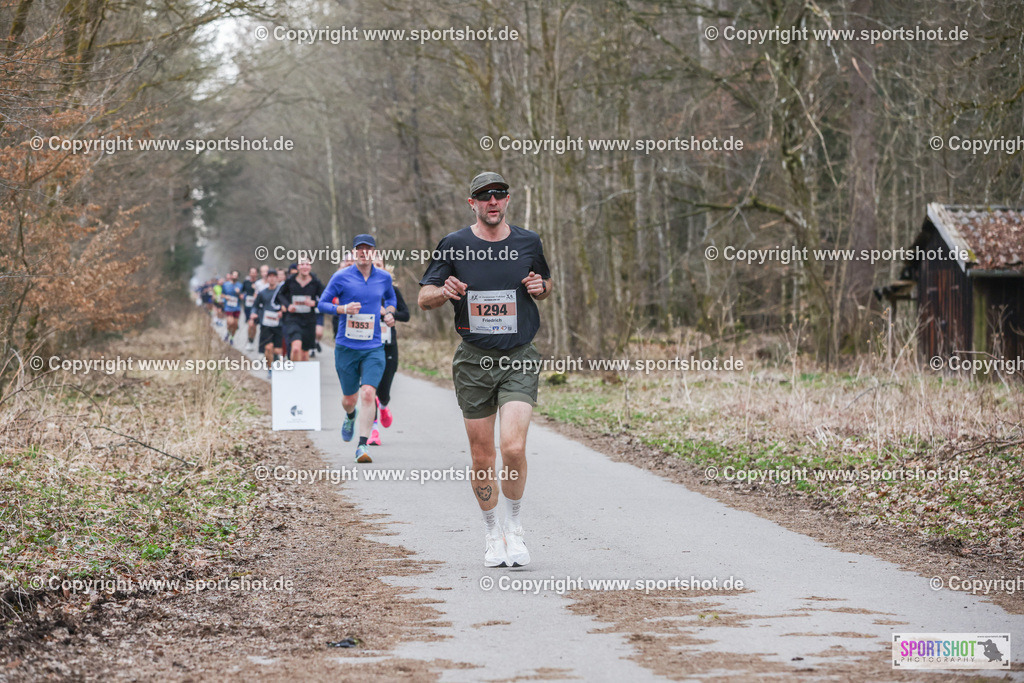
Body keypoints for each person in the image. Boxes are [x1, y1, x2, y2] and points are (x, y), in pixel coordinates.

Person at [418, 172, 552, 568]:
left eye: (498, 195)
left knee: (512, 447)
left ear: (507, 200)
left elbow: (544, 282)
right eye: (483, 197)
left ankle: (515, 528)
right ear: (471, 203)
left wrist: (540, 288)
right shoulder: (455, 244)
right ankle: (492, 533)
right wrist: (443, 292)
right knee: (482, 457)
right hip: (474, 361)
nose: (492, 201)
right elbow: (424, 296)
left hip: (518, 357)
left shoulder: (528, 242)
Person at [318, 235, 396, 464]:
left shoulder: (383, 277)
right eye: (359, 249)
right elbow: (322, 304)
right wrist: (342, 308)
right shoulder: (341, 277)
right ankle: (350, 416)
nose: (364, 253)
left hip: (373, 347)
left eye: (368, 249)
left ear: (374, 252)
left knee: (369, 393)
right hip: (346, 347)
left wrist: (389, 312)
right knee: (349, 399)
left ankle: (362, 445)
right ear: (353, 253)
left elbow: (391, 299)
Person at [368, 259, 409, 446]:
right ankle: (373, 431)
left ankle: (384, 405)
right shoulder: (361, 289)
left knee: (383, 391)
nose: (376, 267)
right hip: (368, 346)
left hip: (388, 345)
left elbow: (406, 314)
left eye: (379, 264)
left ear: (384, 268)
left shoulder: (392, 290)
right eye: (373, 264)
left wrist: (390, 315)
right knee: (370, 390)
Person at [276, 258, 324, 362]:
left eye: (307, 264)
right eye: (302, 264)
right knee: (296, 349)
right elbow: (280, 295)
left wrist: (314, 303)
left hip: (309, 321)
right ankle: (294, 373)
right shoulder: (290, 280)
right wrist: (288, 305)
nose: (305, 266)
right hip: (293, 319)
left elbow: (325, 299)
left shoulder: (316, 282)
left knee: (304, 353)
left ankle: (302, 376)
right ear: (298, 267)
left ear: (310, 267)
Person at [250, 269, 283, 378]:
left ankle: (276, 359)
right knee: (268, 348)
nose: (272, 278)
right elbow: (255, 305)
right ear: (267, 278)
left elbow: (286, 304)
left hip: (279, 325)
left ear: (277, 278)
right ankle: (270, 369)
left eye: (274, 276)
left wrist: (283, 311)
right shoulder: (262, 293)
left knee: (277, 350)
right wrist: (254, 313)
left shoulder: (282, 292)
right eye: (270, 276)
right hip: (266, 324)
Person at [221, 270, 243, 344]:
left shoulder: (240, 285)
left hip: (237, 307)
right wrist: (225, 296)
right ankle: (228, 332)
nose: (235, 277)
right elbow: (221, 294)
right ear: (230, 276)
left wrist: (239, 293)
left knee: (235, 325)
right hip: (228, 307)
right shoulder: (225, 284)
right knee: (230, 322)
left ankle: (231, 337)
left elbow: (242, 296)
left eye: (236, 275)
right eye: (234, 275)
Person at [240, 267, 260, 350]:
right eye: (251, 272)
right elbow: (242, 291)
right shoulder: (246, 282)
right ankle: (249, 340)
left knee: (254, 325)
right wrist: (241, 295)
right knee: (250, 324)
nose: (253, 274)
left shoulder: (259, 283)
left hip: (256, 307)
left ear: (257, 274)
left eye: (254, 272)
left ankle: (252, 340)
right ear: (249, 274)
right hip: (247, 306)